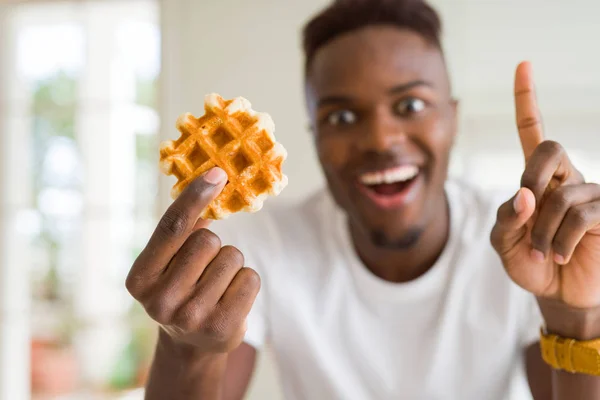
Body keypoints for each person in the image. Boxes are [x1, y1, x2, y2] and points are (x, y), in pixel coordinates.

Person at [125, 0, 600, 399]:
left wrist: (581, 316)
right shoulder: (258, 248)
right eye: (342, 116)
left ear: (452, 119)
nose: (380, 139)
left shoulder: (528, 242)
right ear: (313, 136)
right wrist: (186, 346)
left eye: (411, 105)